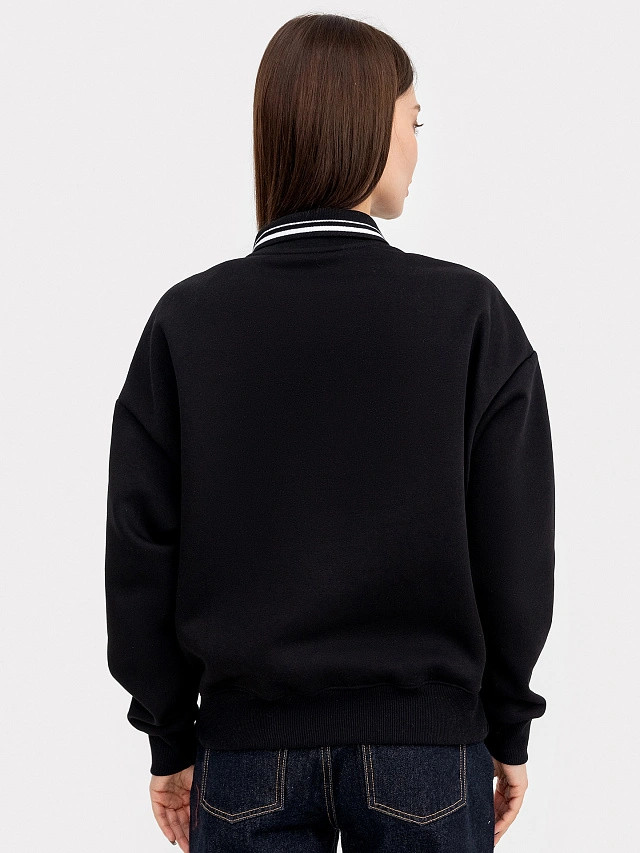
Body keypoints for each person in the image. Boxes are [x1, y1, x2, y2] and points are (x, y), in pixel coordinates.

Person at [104, 13, 555, 853]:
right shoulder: (467, 314)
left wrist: (169, 734)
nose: (417, 147)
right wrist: (509, 723)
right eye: (413, 121)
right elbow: (517, 546)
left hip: (244, 753)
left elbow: (139, 549)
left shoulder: (187, 322)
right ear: (364, 127)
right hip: (427, 750)